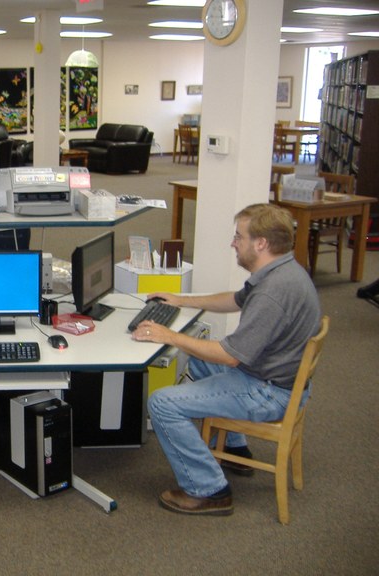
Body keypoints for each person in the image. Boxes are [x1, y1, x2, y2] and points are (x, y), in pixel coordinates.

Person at [133, 203, 320, 517]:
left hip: (269, 390)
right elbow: (235, 299)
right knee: (200, 359)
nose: (234, 243)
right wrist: (181, 300)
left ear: (261, 244)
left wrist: (170, 336)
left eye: (239, 237)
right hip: (277, 376)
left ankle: (208, 490)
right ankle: (234, 446)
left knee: (163, 402)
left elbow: (231, 357)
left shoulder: (273, 293)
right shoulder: (283, 270)